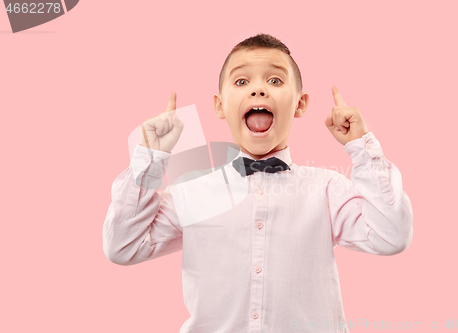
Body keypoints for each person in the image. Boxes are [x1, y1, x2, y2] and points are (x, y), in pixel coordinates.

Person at [102, 33, 413, 333]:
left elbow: (392, 236)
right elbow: (122, 246)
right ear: (220, 105)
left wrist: (361, 147)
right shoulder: (190, 192)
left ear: (301, 104)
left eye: (275, 80)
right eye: (241, 81)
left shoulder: (327, 189)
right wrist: (151, 157)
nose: (258, 90)